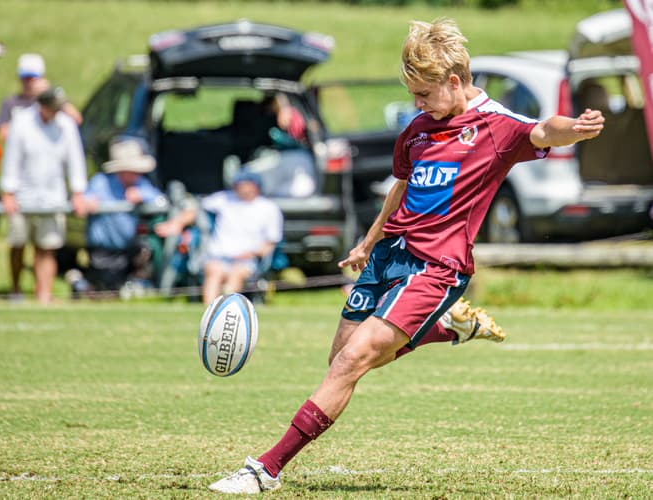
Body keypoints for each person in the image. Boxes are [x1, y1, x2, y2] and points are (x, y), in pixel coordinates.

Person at [208, 18, 605, 494]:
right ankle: (450, 328)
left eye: (424, 93)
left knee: (354, 359)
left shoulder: (495, 127)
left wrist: (576, 130)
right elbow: (402, 187)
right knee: (339, 359)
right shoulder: (418, 129)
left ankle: (265, 469)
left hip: (437, 269)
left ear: (454, 82)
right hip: (389, 254)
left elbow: (543, 131)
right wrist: (369, 241)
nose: (416, 104)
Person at [0, 86, 88, 304]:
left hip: (53, 197)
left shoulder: (66, 125)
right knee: (18, 244)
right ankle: (16, 291)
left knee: (47, 248)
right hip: (23, 196)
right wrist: (8, 191)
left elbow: (75, 160)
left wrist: (78, 191)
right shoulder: (21, 123)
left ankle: (44, 294)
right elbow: (12, 158)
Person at [155, 171, 283, 304]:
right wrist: (177, 223)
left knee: (236, 274)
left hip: (247, 260)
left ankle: (227, 310)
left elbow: (271, 242)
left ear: (254, 186)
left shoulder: (269, 208)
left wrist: (251, 254)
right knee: (214, 272)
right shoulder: (224, 199)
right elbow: (196, 208)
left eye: (243, 184)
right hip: (218, 256)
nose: (239, 187)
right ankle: (209, 310)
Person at [74, 139, 167, 292]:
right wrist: (87, 203)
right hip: (102, 250)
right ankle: (81, 283)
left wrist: (142, 195)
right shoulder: (100, 183)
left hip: (129, 248)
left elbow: (160, 200)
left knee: (144, 254)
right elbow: (82, 203)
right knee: (107, 288)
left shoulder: (141, 185)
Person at [0, 53, 82, 142]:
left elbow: (76, 119)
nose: (28, 82)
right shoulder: (10, 103)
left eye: (32, 78)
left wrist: (49, 93)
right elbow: (3, 133)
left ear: (42, 78)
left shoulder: (52, 100)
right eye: (25, 78)